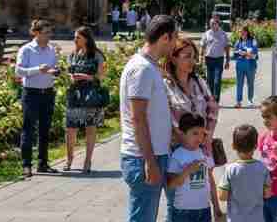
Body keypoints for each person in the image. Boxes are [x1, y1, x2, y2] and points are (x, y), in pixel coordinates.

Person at [120, 14, 177, 222]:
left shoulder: (149, 66)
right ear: (164, 38)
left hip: (153, 154)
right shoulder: (141, 69)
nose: (174, 45)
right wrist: (150, 161)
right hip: (142, 157)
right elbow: (138, 118)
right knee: (142, 217)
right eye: (174, 39)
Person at [15, 19, 60, 177]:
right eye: (46, 33)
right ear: (37, 33)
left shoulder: (51, 50)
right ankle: (26, 165)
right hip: (31, 93)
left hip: (47, 92)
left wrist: (56, 71)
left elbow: (54, 67)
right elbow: (19, 71)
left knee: (45, 130)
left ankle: (43, 163)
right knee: (28, 129)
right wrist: (37, 70)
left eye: (50, 32)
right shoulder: (26, 50)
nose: (50, 35)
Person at [65, 26, 107, 174]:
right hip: (75, 94)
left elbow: (102, 76)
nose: (74, 40)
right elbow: (68, 71)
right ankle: (69, 159)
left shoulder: (96, 55)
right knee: (71, 129)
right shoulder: (73, 54)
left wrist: (87, 77)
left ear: (86, 39)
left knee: (90, 127)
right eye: (75, 37)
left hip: (91, 94)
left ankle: (87, 160)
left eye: (78, 37)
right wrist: (72, 77)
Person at [167, 113, 222, 222]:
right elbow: (171, 184)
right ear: (182, 133)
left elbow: (210, 181)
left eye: (202, 133)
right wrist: (187, 171)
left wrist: (216, 206)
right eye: (195, 133)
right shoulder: (177, 155)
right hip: (183, 211)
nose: (199, 137)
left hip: (204, 209)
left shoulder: (204, 153)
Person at [218, 124, 272, 222]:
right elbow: (267, 194)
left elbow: (222, 196)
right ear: (255, 146)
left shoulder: (230, 169)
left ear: (233, 146)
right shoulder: (263, 168)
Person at [201, 17, 231, 104]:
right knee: (209, 81)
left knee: (217, 81)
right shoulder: (207, 33)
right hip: (209, 59)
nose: (212, 25)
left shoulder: (223, 34)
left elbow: (227, 47)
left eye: (214, 23)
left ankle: (216, 101)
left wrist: (228, 60)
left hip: (219, 59)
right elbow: (202, 46)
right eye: (211, 23)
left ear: (218, 24)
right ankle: (210, 100)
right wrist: (200, 57)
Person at [233, 26, 259, 108]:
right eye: (240, 32)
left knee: (250, 83)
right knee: (239, 84)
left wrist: (246, 54)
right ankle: (238, 101)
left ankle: (250, 100)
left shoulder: (253, 41)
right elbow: (234, 53)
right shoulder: (238, 42)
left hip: (250, 65)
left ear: (246, 32)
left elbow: (255, 55)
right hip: (240, 65)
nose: (241, 33)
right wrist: (238, 52)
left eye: (242, 31)